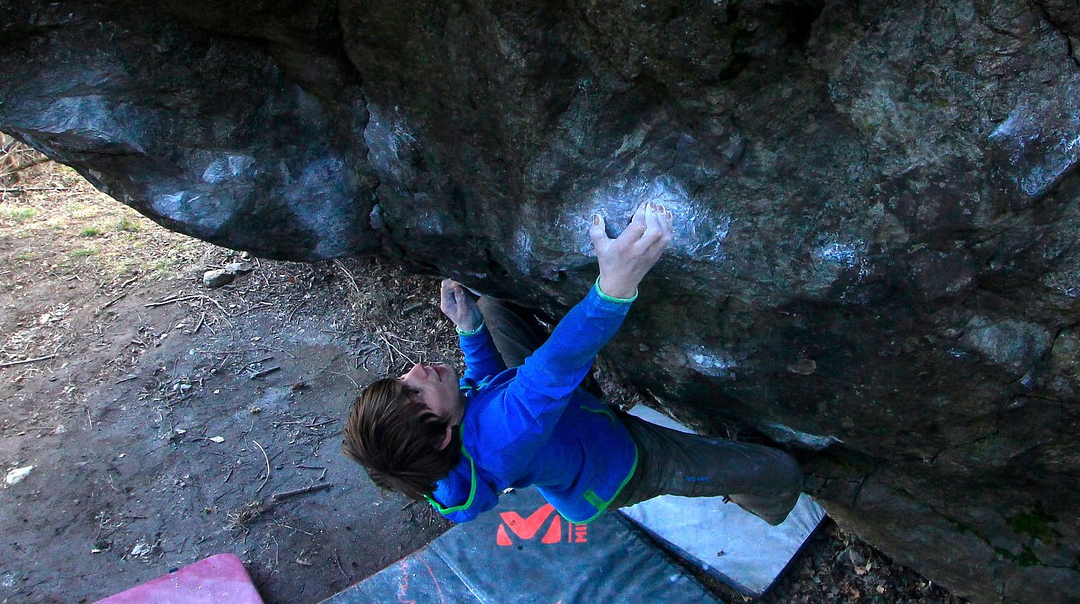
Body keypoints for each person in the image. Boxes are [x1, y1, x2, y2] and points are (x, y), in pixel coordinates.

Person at [342, 200, 802, 527]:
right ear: (443, 435)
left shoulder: (451, 433)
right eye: (415, 392)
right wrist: (613, 286)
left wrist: (471, 329)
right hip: (620, 465)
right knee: (778, 471)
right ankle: (765, 503)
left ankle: (580, 392)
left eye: (401, 379)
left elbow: (481, 390)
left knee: (495, 308)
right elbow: (553, 368)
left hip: (569, 422)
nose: (416, 371)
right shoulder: (501, 438)